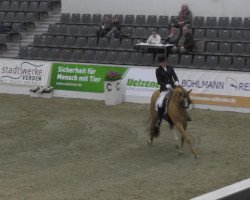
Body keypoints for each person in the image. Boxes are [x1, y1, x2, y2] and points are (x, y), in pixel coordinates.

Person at [155, 55, 179, 128]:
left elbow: (175, 76)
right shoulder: (158, 70)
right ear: (159, 63)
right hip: (164, 89)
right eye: (161, 62)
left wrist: (177, 81)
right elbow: (159, 81)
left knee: (181, 97)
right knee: (160, 103)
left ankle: (184, 114)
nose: (162, 63)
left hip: (173, 88)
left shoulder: (170, 68)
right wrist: (165, 85)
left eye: (163, 62)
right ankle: (159, 119)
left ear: (165, 61)